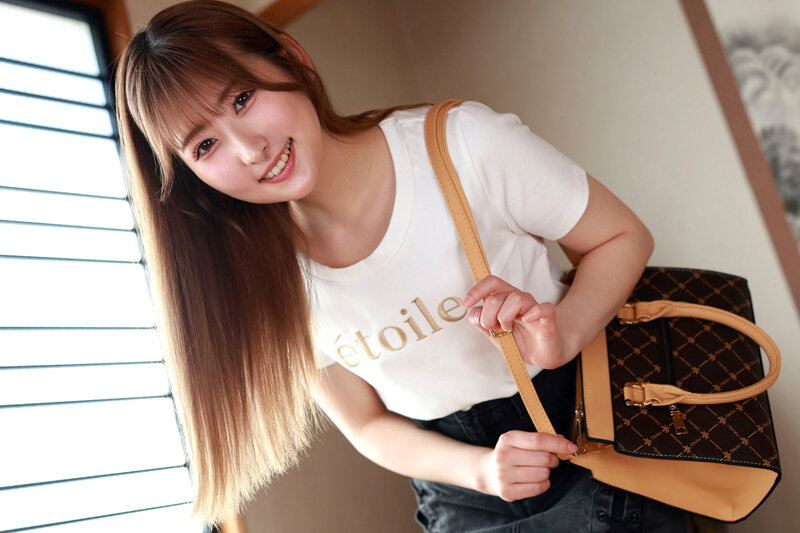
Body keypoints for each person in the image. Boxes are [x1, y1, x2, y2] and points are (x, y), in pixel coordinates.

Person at [115, 1, 691, 531]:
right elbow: (367, 424)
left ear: (291, 59)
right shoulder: (266, 280)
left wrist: (562, 332)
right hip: (461, 488)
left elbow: (621, 236)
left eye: (242, 99)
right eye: (204, 146)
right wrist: (480, 471)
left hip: (591, 423)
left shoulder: (462, 145)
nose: (249, 149)